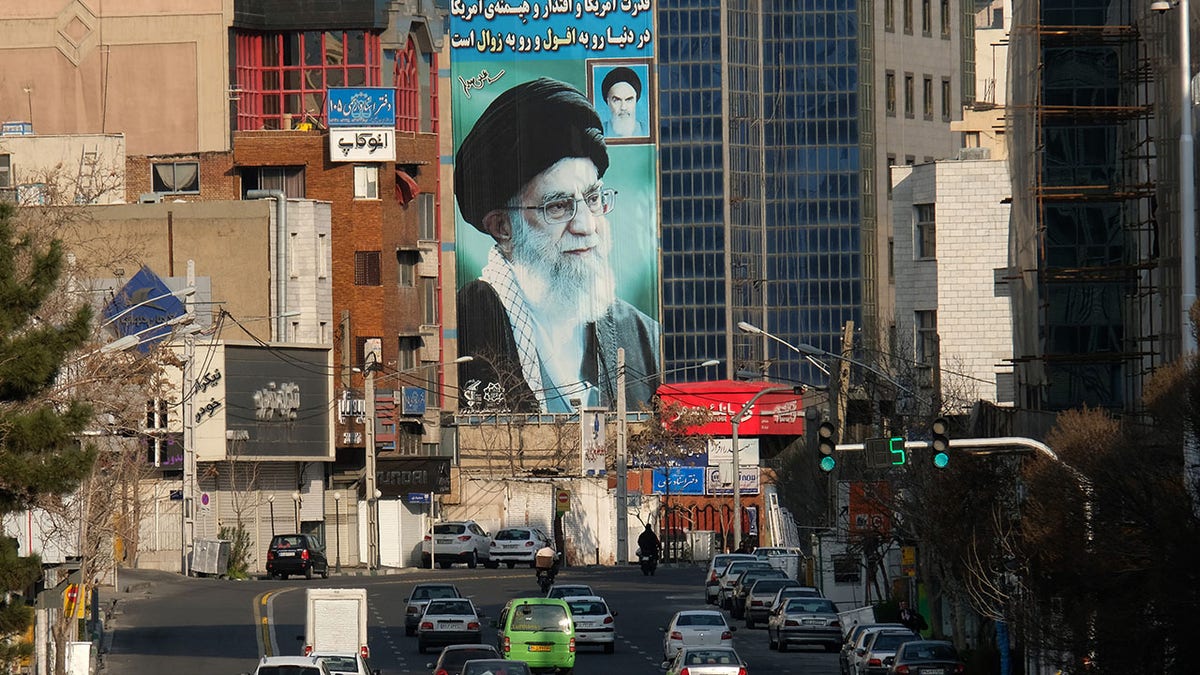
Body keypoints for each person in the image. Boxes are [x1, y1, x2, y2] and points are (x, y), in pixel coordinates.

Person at [455, 77, 660, 413]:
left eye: (592, 198)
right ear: (503, 227)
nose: (585, 226)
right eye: (558, 206)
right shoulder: (463, 330)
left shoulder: (642, 336)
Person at [600, 66, 646, 138]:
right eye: (617, 100)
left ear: (636, 100)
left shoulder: (647, 131)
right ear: (608, 101)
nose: (623, 107)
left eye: (629, 100)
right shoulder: (599, 133)